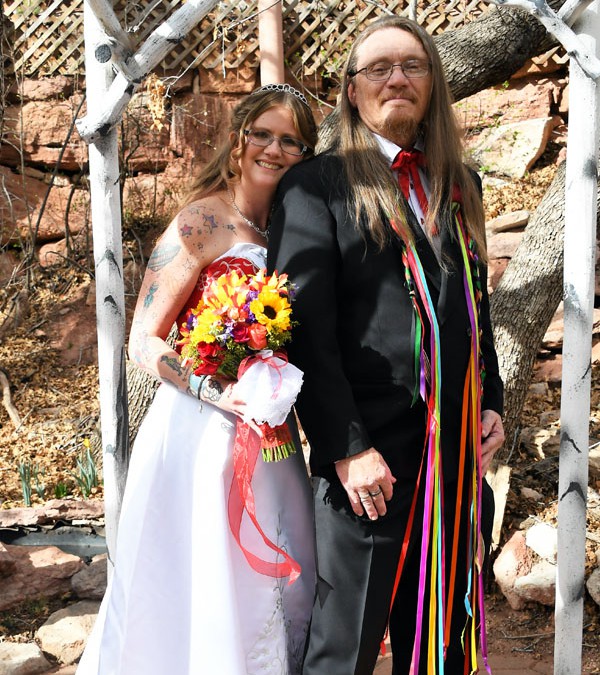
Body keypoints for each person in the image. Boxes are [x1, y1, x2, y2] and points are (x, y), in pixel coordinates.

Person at [267, 16, 505, 675]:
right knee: (343, 649)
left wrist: (494, 399)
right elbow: (303, 333)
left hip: (454, 460)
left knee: (441, 646)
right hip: (369, 466)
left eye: (412, 65)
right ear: (351, 91)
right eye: (379, 68)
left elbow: (473, 306)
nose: (397, 78)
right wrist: (345, 447)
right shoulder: (315, 187)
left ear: (433, 85)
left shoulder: (460, 185)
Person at [77, 84, 318, 675]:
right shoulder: (203, 220)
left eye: (291, 140)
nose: (274, 149)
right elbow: (142, 340)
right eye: (262, 134)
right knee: (205, 567)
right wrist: (216, 390)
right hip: (200, 427)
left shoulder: (296, 230)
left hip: (270, 433)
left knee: (285, 558)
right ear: (237, 141)